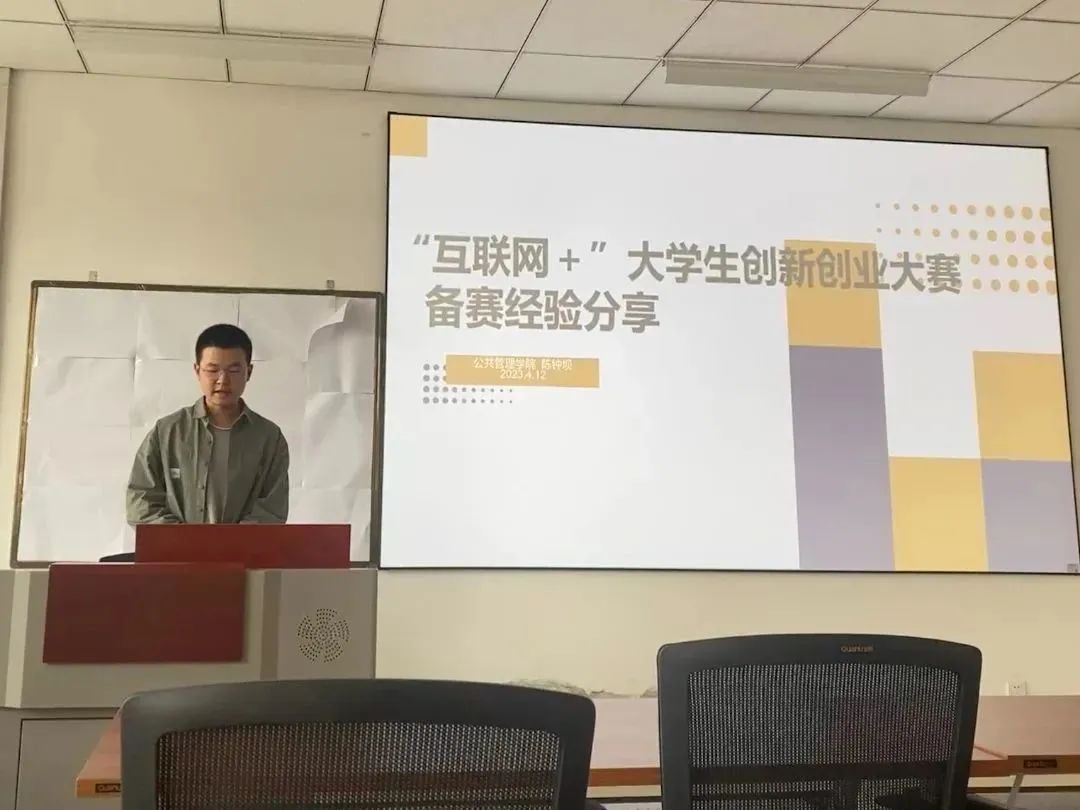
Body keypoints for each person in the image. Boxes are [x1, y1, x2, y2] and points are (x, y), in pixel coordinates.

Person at [126, 323, 289, 525]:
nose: (222, 380)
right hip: (177, 546)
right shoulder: (167, 432)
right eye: (212, 370)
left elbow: (272, 510)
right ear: (197, 371)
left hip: (244, 547)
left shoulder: (269, 438)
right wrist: (184, 539)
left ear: (249, 372)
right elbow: (141, 502)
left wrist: (231, 541)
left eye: (234, 370)